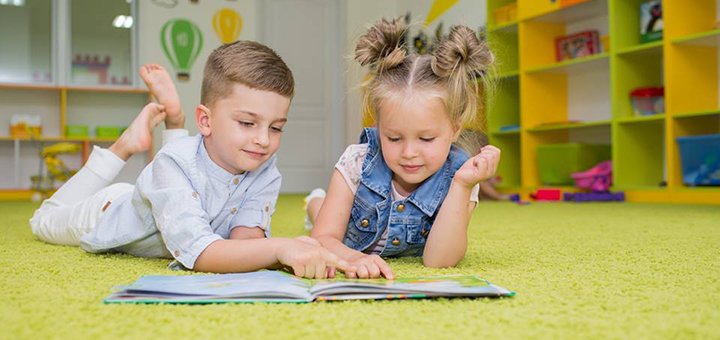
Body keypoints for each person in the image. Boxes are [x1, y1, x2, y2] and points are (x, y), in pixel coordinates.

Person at [29, 41, 352, 279]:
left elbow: (246, 240)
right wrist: (281, 247)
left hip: (172, 182)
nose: (264, 140)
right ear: (207, 121)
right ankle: (125, 145)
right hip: (108, 214)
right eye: (247, 123)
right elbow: (199, 252)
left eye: (276, 127)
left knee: (190, 159)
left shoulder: (264, 167)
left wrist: (284, 251)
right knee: (44, 220)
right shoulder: (172, 163)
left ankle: (174, 120)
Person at [306, 17, 500, 279]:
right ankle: (315, 202)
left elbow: (439, 261)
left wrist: (462, 186)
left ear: (455, 129)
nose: (409, 152)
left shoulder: (462, 174)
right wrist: (355, 257)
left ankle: (318, 201)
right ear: (378, 126)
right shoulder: (357, 162)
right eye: (394, 138)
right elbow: (324, 238)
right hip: (355, 228)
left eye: (426, 139)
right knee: (324, 215)